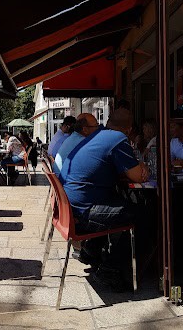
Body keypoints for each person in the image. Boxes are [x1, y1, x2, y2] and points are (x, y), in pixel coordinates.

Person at [60, 108, 148, 291]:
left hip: (70, 207)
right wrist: (141, 165)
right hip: (84, 212)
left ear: (107, 122)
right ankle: (110, 269)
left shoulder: (97, 136)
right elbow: (138, 176)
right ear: (130, 129)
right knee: (140, 214)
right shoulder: (118, 139)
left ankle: (91, 252)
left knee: (116, 200)